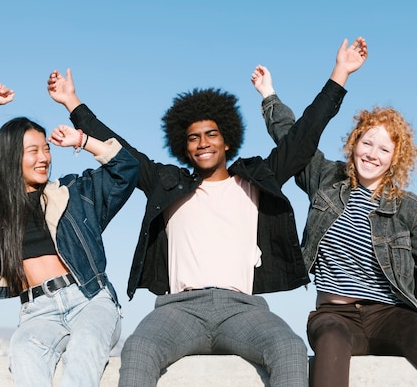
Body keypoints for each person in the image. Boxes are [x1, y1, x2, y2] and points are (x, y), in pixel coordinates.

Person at [46, 37, 367, 387]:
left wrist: (340, 73)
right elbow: (122, 150)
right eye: (194, 137)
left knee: (289, 348)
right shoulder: (167, 183)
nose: (203, 143)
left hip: (242, 310)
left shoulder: (255, 181)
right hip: (178, 310)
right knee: (137, 348)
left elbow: (304, 137)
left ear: (226, 140)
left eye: (211, 134)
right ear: (184, 147)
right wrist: (72, 103)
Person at [254, 66, 417, 387]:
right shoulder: (327, 179)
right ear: (355, 144)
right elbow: (293, 139)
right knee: (330, 354)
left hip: (393, 316)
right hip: (335, 317)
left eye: (384, 149)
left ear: (396, 158)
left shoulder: (414, 210)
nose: (372, 154)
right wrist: (269, 95)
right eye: (367, 143)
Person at [0, 82, 140, 387]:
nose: (44, 157)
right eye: (33, 151)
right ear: (12, 156)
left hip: (89, 299)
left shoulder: (73, 194)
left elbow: (126, 169)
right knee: (24, 352)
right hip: (37, 311)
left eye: (46, 149)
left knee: (84, 352)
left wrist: (82, 139)